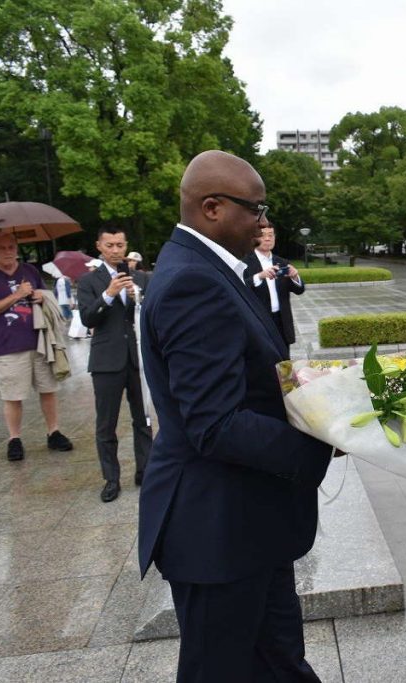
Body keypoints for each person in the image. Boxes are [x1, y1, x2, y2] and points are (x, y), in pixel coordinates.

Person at [138, 150, 332, 682]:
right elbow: (214, 423)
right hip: (216, 530)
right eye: (257, 209)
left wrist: (318, 393)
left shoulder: (211, 269)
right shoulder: (191, 283)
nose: (265, 223)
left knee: (279, 662)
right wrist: (324, 438)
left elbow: (245, 376)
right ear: (213, 208)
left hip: (247, 520)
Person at [0, 233, 73, 461]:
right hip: (7, 346)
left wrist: (40, 296)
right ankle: (14, 438)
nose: (8, 251)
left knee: (48, 389)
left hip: (39, 341)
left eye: (11, 247)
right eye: (2, 248)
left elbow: (43, 296)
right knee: (12, 395)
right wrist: (16, 295)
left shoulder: (29, 271)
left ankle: (53, 431)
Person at [75, 228, 152, 503]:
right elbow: (86, 319)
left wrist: (139, 299)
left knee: (142, 418)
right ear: (99, 247)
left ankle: (146, 470)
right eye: (110, 245)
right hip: (107, 359)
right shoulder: (88, 281)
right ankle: (111, 478)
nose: (116, 250)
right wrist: (108, 295)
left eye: (120, 244)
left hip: (137, 357)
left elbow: (154, 314)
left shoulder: (140, 277)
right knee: (105, 423)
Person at [244, 222, 305, 346]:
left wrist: (295, 276)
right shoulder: (245, 263)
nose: (267, 238)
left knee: (284, 361)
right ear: (254, 238)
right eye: (263, 235)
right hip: (259, 320)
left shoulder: (282, 262)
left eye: (271, 235)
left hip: (281, 320)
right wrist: (260, 276)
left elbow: (299, 290)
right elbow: (241, 287)